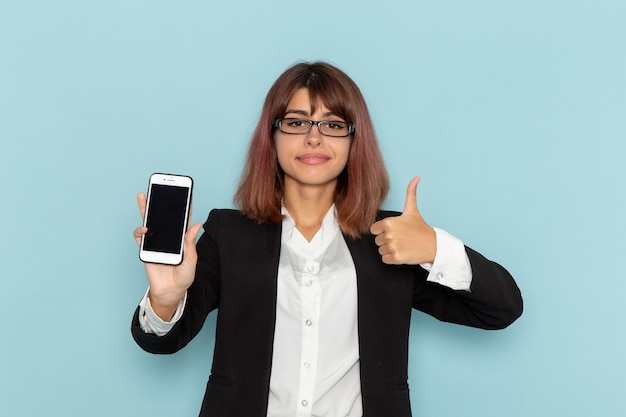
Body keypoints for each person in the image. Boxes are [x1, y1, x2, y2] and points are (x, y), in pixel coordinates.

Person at [131, 61, 523, 417]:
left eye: (333, 124)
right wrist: (166, 300)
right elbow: (161, 342)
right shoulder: (228, 234)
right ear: (273, 136)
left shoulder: (391, 238)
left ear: (354, 141)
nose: (315, 138)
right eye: (297, 122)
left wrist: (436, 248)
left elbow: (501, 309)